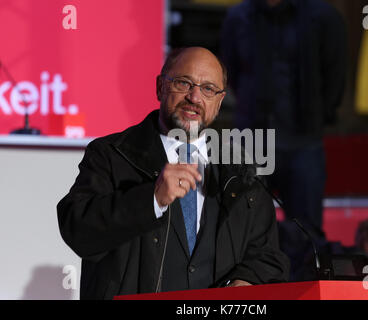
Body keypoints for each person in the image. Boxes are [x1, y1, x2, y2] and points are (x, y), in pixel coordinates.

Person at [57, 47, 290, 299]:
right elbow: (78, 231)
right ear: (160, 87)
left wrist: (245, 281)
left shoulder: (242, 169)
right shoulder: (112, 154)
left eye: (208, 89)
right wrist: (152, 199)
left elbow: (267, 256)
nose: (194, 97)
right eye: (183, 83)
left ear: (219, 102)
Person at [220, 0, 347, 281]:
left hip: (303, 140)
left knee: (306, 232)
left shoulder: (322, 15)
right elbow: (231, 73)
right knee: (238, 226)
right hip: (251, 139)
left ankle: (302, 292)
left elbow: (335, 72)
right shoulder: (238, 16)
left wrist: (317, 116)